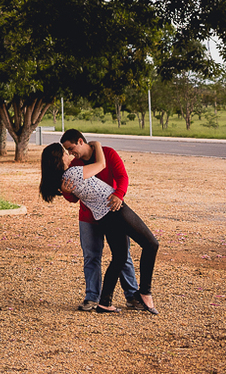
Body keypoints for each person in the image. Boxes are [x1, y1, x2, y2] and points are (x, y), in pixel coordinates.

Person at [40, 141, 160, 315]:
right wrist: (97, 145)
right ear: (58, 158)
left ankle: (104, 303)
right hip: (114, 210)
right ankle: (145, 292)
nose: (68, 155)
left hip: (103, 216)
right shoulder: (73, 172)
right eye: (65, 153)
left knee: (119, 257)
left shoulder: (63, 179)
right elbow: (101, 165)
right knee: (151, 244)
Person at [59, 129, 142, 312]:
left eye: (72, 148)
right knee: (91, 257)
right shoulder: (76, 165)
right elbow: (74, 198)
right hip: (88, 218)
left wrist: (119, 195)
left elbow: (122, 177)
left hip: (113, 213)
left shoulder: (108, 153)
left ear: (80, 141)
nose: (71, 154)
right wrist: (66, 193)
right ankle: (92, 297)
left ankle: (132, 296)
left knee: (123, 255)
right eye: (68, 151)